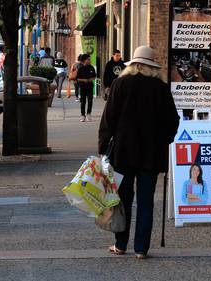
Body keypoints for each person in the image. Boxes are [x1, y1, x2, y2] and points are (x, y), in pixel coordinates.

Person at [98, 46, 180, 259]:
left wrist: (103, 147)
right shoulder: (160, 88)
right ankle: (141, 249)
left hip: (123, 153)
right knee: (146, 201)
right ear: (152, 67)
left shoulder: (119, 84)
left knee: (122, 200)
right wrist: (165, 139)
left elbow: (108, 119)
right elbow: (173, 120)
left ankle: (121, 244)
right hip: (151, 155)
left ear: (132, 64)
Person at [76, 54, 96, 122]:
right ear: (84, 60)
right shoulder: (81, 68)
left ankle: (89, 114)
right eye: (88, 59)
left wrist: (91, 79)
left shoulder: (92, 68)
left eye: (90, 59)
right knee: (83, 101)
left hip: (90, 87)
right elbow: (77, 78)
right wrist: (84, 80)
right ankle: (82, 115)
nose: (90, 60)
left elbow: (94, 77)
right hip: (82, 87)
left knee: (90, 100)